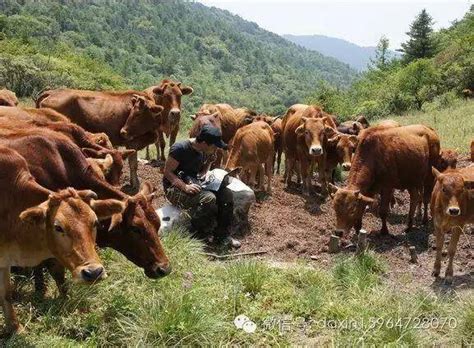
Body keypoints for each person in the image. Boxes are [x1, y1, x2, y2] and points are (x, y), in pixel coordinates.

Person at [163, 124, 241, 248]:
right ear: (204, 142)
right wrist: (184, 187)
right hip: (174, 188)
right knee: (209, 198)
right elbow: (167, 172)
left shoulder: (203, 151)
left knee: (226, 194)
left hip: (194, 182)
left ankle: (222, 235)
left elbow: (199, 173)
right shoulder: (180, 148)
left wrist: (208, 164)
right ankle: (197, 234)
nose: (216, 149)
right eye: (214, 146)